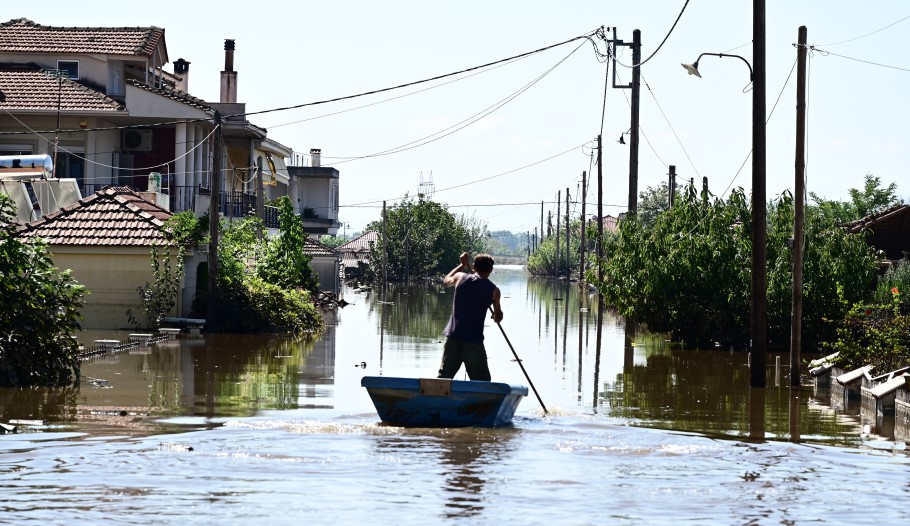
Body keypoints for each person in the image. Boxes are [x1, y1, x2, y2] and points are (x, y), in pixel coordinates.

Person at [437, 252, 503, 381]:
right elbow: (498, 318)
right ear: (491, 270)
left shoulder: (460, 277)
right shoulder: (494, 290)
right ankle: (482, 401)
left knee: (443, 379)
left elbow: (446, 281)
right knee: (482, 382)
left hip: (453, 337)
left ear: (473, 267)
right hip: (473, 341)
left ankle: (437, 400)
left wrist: (462, 265)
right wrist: (496, 314)